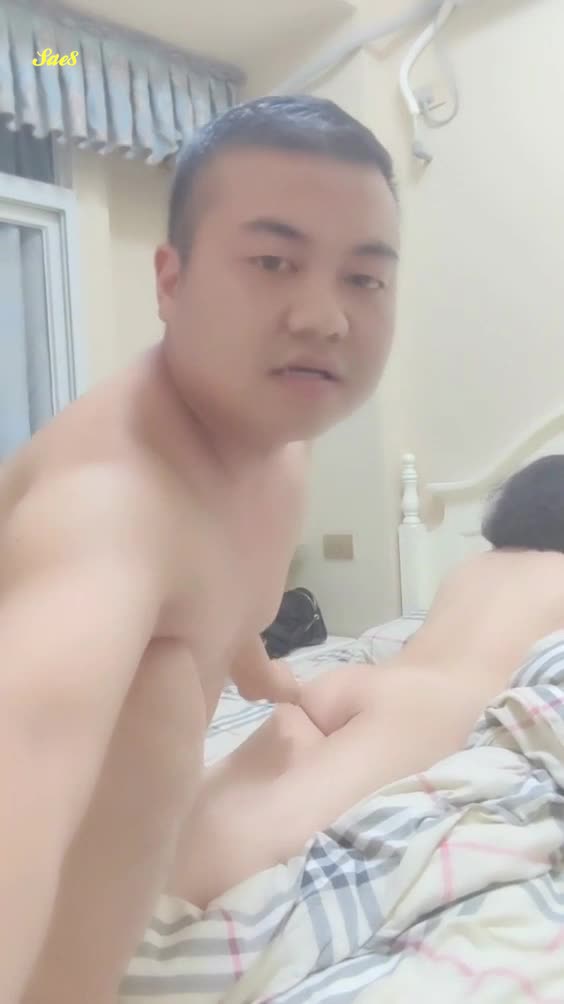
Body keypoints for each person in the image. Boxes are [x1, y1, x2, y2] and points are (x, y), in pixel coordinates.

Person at [0, 95, 400, 1001]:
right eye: (273, 262)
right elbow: (30, 742)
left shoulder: (280, 447)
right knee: (161, 697)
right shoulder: (107, 508)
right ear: (171, 281)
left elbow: (225, 605)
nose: (325, 317)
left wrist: (275, 683)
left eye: (364, 279)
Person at [170, 454, 564, 909]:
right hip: (424, 714)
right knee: (260, 841)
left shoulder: (471, 567)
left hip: (347, 683)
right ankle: (133, 923)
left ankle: (121, 853)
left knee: (206, 799)